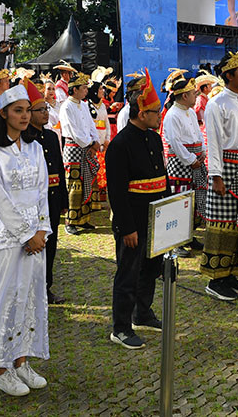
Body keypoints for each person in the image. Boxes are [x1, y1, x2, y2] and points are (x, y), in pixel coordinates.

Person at [0, 84, 51, 395]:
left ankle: (21, 361)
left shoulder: (35, 148)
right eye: (18, 110)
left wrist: (41, 230)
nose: (24, 116)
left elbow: (43, 192)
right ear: (4, 113)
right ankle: (1, 368)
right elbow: (0, 200)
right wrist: (25, 234)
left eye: (27, 110)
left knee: (30, 297)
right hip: (7, 237)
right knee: (5, 299)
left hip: (36, 235)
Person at [105, 70, 168, 349]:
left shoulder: (154, 139)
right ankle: (121, 327)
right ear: (142, 113)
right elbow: (117, 193)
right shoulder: (120, 145)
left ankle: (143, 312)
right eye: (155, 112)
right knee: (128, 273)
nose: (159, 116)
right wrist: (127, 227)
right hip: (133, 219)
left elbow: (162, 178)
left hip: (155, 217)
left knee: (151, 268)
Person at [201, 51, 238, 302]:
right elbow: (213, 142)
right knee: (221, 224)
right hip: (226, 170)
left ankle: (232, 272)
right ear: (229, 75)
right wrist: (216, 175)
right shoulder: (216, 104)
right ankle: (216, 279)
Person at [24, 80, 68, 304]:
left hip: (52, 197)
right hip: (34, 200)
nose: (45, 113)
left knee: (51, 244)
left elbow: (59, 168)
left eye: (46, 109)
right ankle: (30, 288)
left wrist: (64, 199)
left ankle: (46, 286)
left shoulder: (51, 136)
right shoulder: (24, 138)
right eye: (40, 110)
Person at [162, 73, 208, 259]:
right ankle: (176, 242)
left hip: (194, 161)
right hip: (181, 164)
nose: (196, 96)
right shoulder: (172, 115)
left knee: (193, 201)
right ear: (184, 95)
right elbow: (175, 142)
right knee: (179, 202)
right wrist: (191, 159)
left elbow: (199, 133)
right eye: (193, 93)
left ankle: (188, 236)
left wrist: (202, 150)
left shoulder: (189, 112)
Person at [59, 71, 102, 234]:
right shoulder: (66, 106)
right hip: (73, 149)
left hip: (87, 147)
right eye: (83, 88)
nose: (86, 90)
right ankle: (70, 221)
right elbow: (74, 132)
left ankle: (83, 219)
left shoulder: (84, 105)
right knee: (74, 185)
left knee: (86, 184)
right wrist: (91, 143)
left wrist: (95, 141)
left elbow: (91, 125)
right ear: (74, 89)